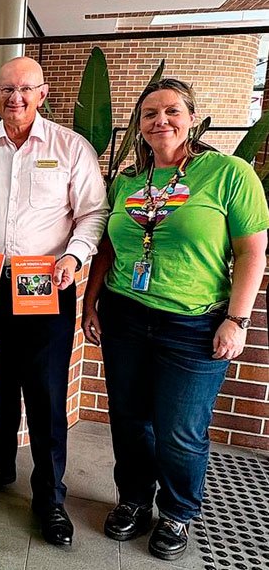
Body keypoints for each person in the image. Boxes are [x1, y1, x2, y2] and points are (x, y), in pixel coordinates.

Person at [82, 78, 269, 561]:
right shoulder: (127, 181)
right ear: (139, 125)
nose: (160, 121)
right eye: (149, 114)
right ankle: (135, 501)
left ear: (191, 117)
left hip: (193, 324)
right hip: (125, 315)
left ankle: (179, 512)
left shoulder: (228, 174)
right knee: (128, 419)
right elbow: (107, 248)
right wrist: (90, 304)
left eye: (170, 111)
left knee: (180, 429)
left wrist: (238, 320)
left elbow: (252, 252)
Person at [0, 56, 109, 547]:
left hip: (47, 286)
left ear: (43, 93)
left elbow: (92, 214)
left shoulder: (70, 147)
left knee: (46, 393)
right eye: (7, 90)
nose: (16, 98)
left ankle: (50, 498)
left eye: (26, 89)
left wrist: (75, 259)